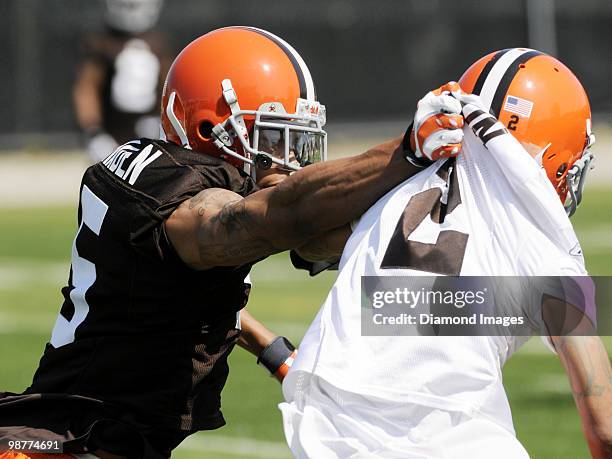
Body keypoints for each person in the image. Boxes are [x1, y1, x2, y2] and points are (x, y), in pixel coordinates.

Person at [0, 27, 458, 459]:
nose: (288, 159)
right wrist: (406, 153)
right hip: (66, 442)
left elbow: (197, 283)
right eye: (274, 137)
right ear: (207, 127)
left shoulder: (173, 185)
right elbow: (256, 223)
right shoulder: (184, 196)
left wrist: (272, 350)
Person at [280, 49, 612, 458]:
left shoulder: (391, 186)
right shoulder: (543, 243)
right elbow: (605, 428)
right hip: (452, 437)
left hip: (326, 429)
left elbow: (308, 243)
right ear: (556, 157)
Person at [73, 0, 172, 162]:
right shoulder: (101, 43)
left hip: (150, 129)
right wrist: (94, 132)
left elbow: (169, 86)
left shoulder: (157, 43)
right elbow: (86, 90)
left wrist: (162, 122)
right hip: (111, 132)